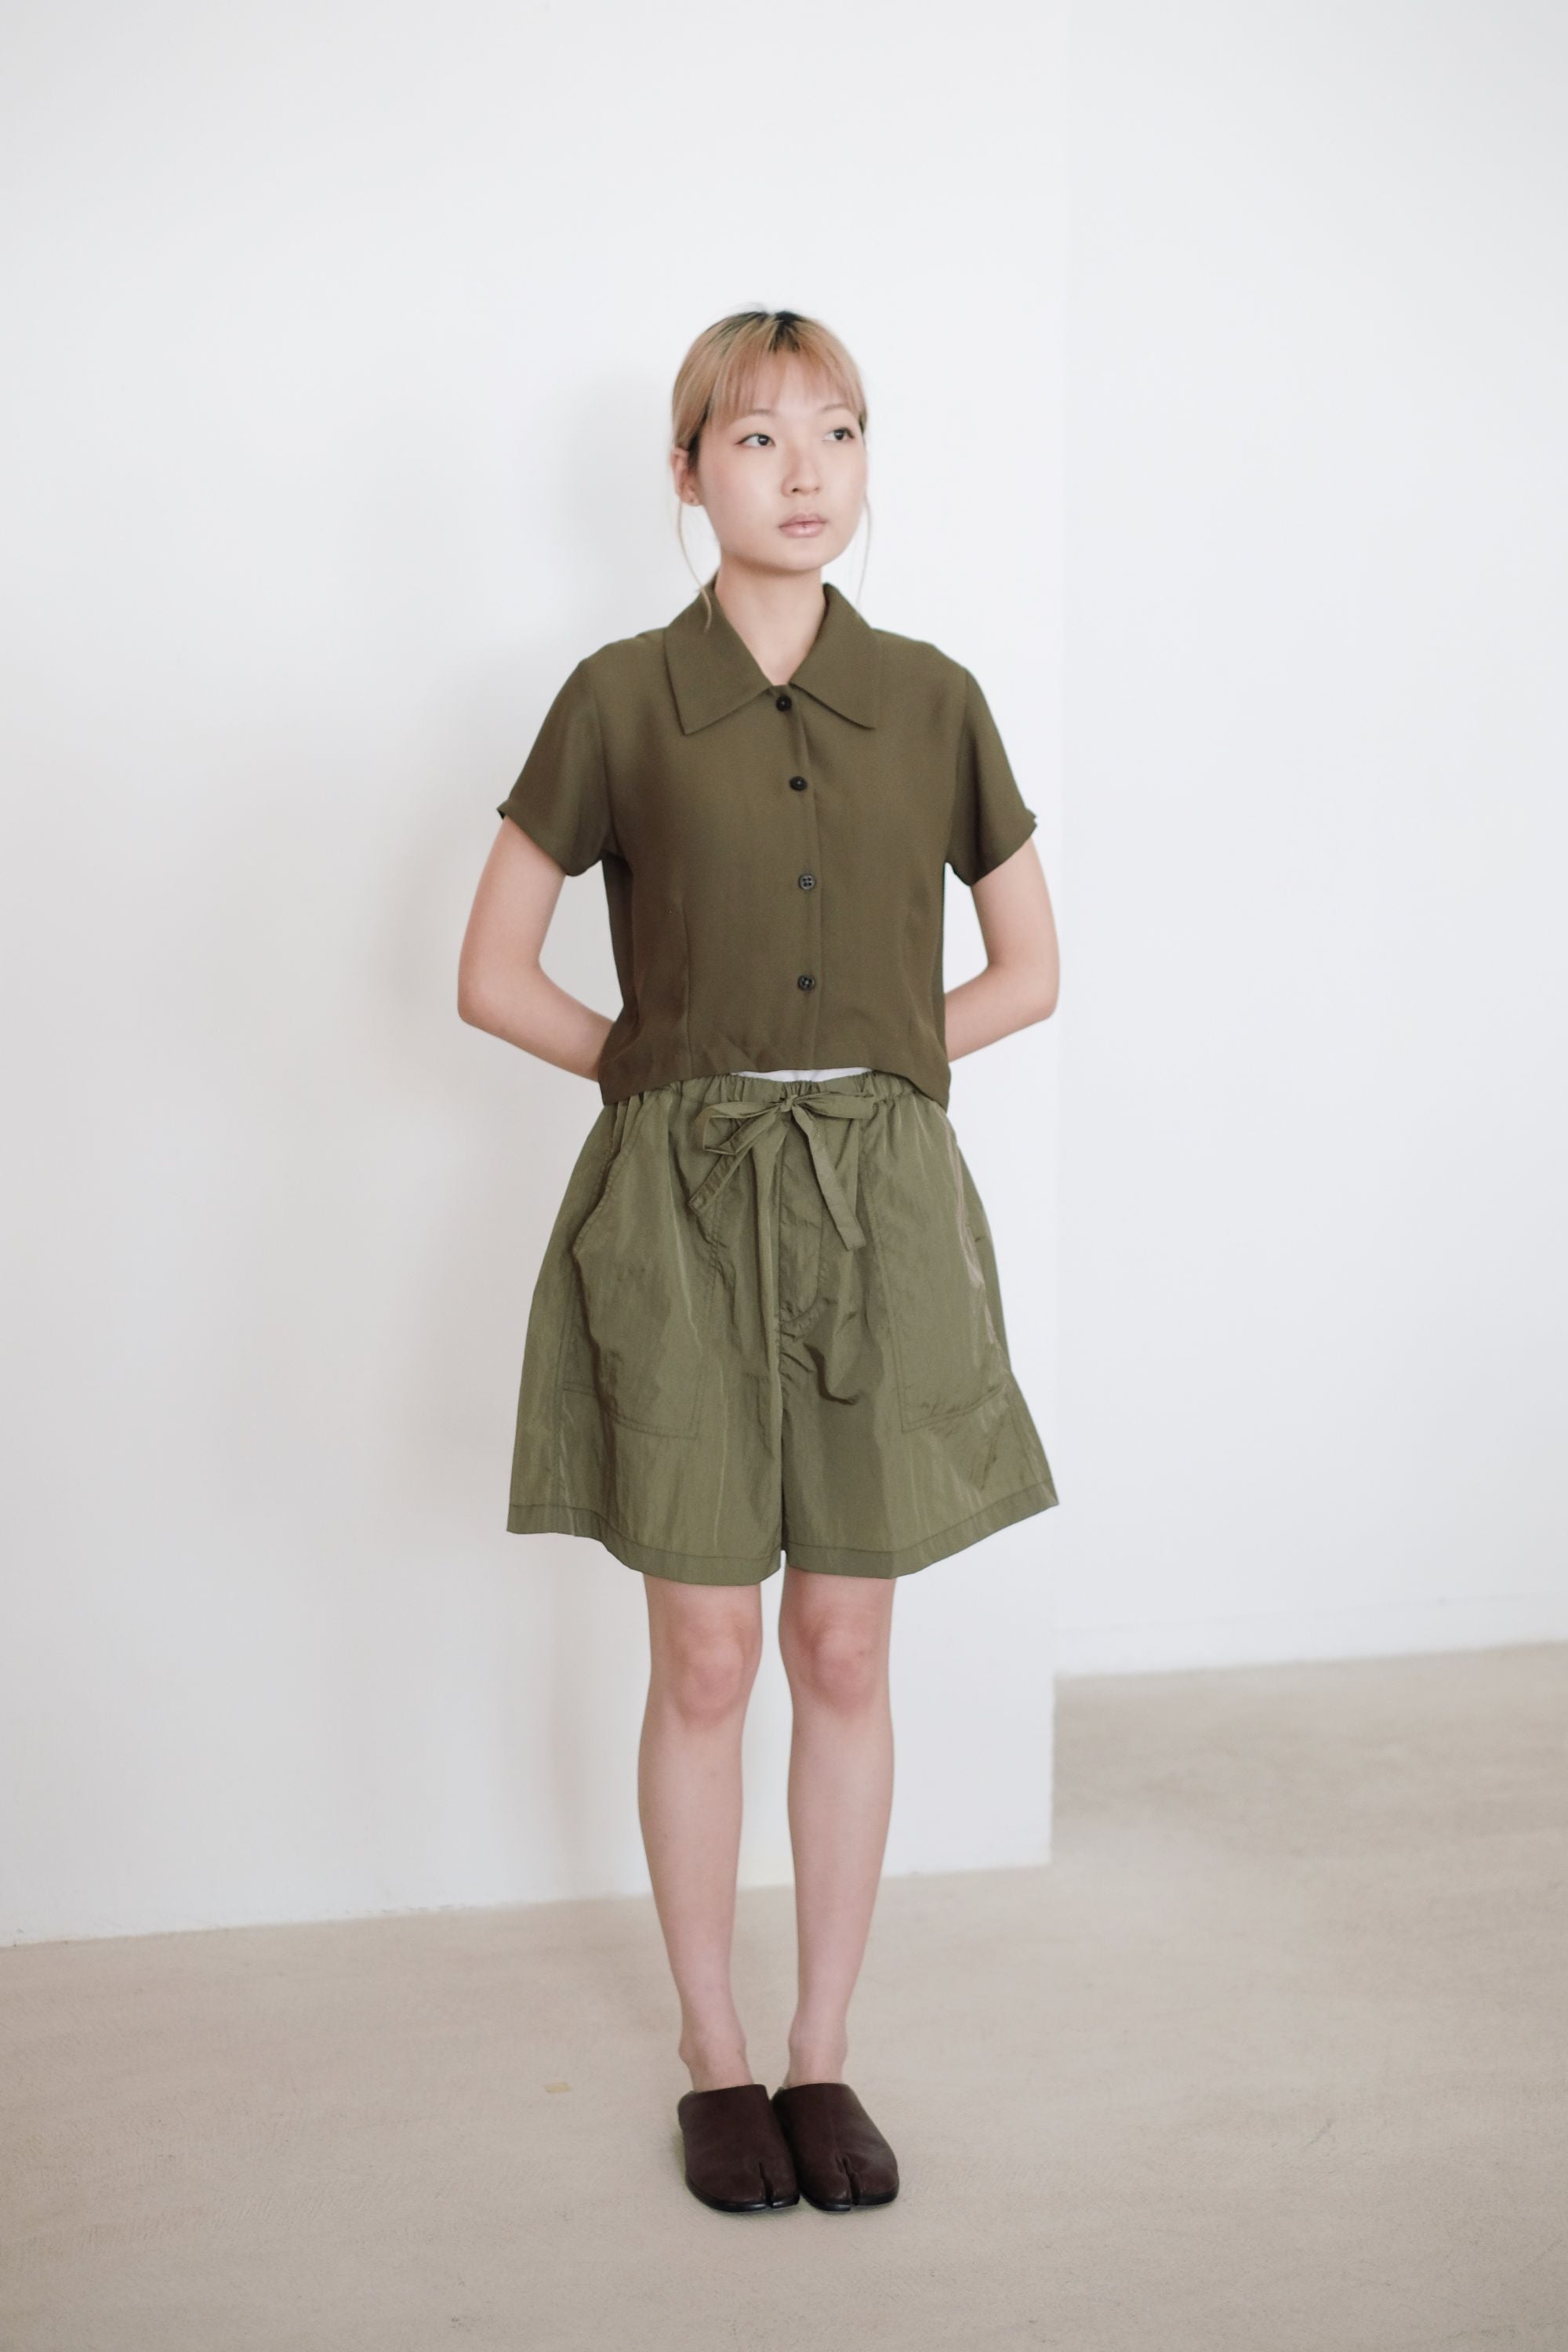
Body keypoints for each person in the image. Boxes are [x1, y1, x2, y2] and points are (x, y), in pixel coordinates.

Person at [457, 308, 1061, 2215]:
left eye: (838, 433)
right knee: (709, 1648)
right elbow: (492, 973)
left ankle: (824, 2051)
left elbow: (1030, 970)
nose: (805, 473)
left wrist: (869, 1065)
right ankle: (714, 2056)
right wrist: (659, 1073)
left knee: (845, 1640)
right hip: (683, 1206)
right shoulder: (618, 699)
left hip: (877, 1204)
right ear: (684, 471)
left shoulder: (936, 699)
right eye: (756, 437)